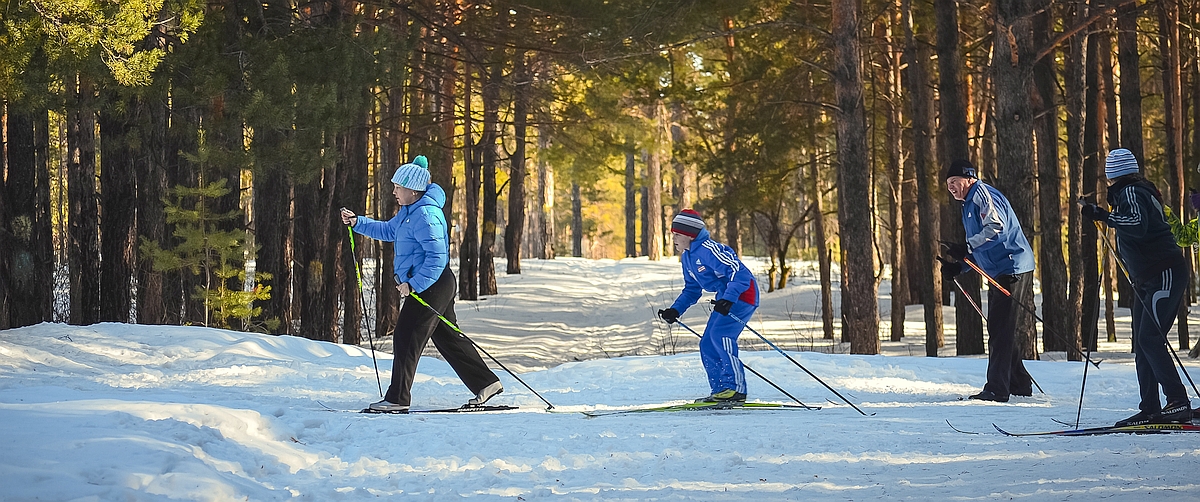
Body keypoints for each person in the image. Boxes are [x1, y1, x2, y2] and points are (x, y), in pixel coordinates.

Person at [340, 155, 502, 412]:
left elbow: (438, 257)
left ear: (413, 190)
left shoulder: (426, 215)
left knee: (406, 335)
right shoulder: (409, 212)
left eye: (398, 187)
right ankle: (487, 383)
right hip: (435, 283)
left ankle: (397, 399)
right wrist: (358, 222)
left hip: (432, 283)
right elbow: (388, 231)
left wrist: (414, 284)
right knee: (448, 337)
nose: (393, 191)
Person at [1080, 148, 1193, 426]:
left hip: (1163, 274)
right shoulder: (1131, 192)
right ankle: (1151, 408)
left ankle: (1177, 401)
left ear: (1112, 175)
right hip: (1149, 278)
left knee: (1150, 340)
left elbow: (1138, 225)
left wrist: (1103, 215)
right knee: (1142, 344)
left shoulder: (1131, 191)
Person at [938, 159, 1035, 403]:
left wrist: (966, 247)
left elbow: (996, 229)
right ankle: (1019, 383)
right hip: (997, 270)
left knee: (1000, 329)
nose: (950, 187)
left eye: (954, 182)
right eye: (948, 184)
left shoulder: (981, 195)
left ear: (969, 178)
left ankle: (997, 389)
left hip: (1011, 266)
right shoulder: (968, 204)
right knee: (998, 327)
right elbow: (982, 247)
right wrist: (958, 267)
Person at [657, 209, 759, 403]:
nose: (674, 239)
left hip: (743, 294)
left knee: (720, 336)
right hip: (726, 297)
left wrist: (729, 298)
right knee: (707, 342)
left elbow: (740, 272)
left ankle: (735, 389)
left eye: (677, 234)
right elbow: (692, 289)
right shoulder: (687, 257)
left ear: (689, 235)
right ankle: (720, 390)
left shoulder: (708, 250)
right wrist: (675, 310)